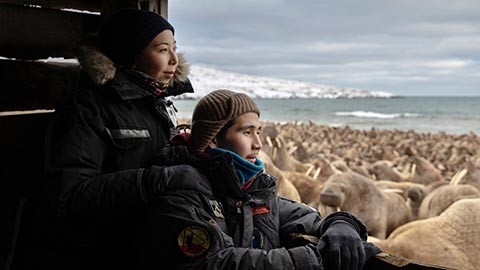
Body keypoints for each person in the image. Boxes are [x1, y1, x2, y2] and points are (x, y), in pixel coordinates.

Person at [137, 89, 381, 270]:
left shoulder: (251, 191)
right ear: (212, 139)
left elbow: (302, 216)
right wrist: (315, 259)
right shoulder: (179, 192)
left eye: (258, 132)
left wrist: (341, 223)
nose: (259, 144)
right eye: (246, 132)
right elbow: (214, 263)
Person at [42, 8, 193, 269]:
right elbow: (70, 196)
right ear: (132, 56)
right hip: (104, 252)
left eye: (174, 48)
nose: (174, 60)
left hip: (148, 242)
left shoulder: (155, 102)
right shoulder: (87, 109)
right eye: (161, 49)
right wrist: (158, 180)